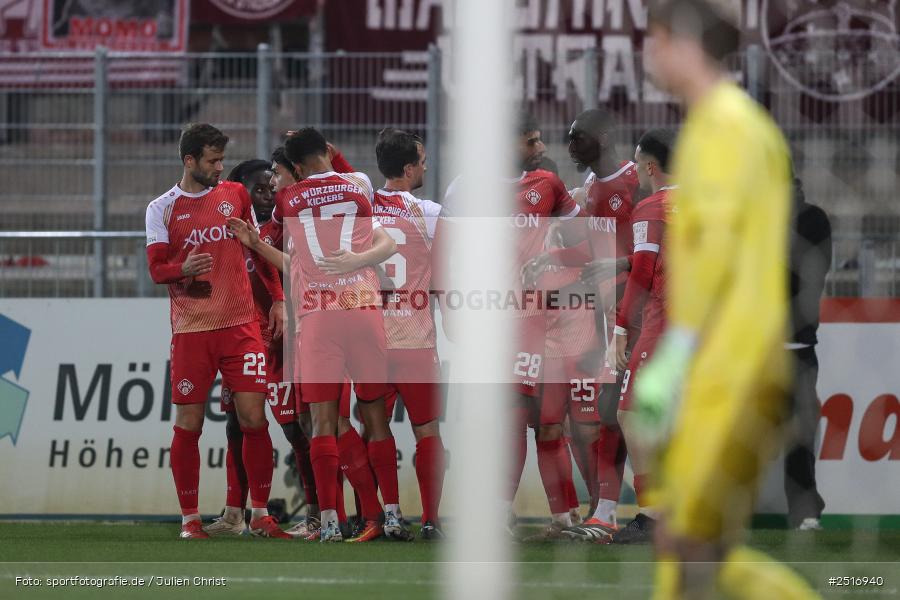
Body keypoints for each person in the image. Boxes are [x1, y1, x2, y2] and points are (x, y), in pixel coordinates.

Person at [634, 1, 820, 598]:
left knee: (690, 552)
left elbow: (713, 259)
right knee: (693, 552)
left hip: (730, 367)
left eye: (654, 38)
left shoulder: (724, 130)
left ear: (681, 43)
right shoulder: (732, 126)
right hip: (730, 362)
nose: (647, 52)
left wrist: (677, 354)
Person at [232, 127, 398, 543]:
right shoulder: (357, 184)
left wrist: (256, 245)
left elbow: (296, 265)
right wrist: (359, 259)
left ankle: (331, 520)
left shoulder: (288, 205)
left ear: (297, 169)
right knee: (361, 417)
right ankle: (384, 516)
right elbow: (384, 239)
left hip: (317, 320)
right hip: (358, 309)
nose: (273, 182)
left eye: (278, 172)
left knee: (322, 423)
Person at [144, 123, 289, 539]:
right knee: (189, 423)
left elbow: (257, 251)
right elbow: (156, 270)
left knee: (253, 418)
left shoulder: (235, 195)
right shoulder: (162, 208)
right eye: (212, 161)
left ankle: (259, 515)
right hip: (193, 330)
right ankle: (190, 520)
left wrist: (278, 299)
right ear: (189, 160)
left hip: (242, 326)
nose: (220, 168)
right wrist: (180, 271)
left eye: (221, 159)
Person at [203, 159, 315, 538]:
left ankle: (317, 513)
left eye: (271, 188)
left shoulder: (281, 227)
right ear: (238, 190)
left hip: (282, 343)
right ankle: (235, 514)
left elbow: (297, 272)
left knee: (297, 429)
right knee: (237, 426)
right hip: (241, 339)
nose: (268, 196)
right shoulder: (224, 230)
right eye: (259, 189)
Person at [605, 129, 677, 544]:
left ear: (650, 167)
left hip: (666, 321)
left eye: (636, 163)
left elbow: (644, 272)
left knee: (631, 414)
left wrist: (619, 330)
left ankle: (653, 513)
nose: (632, 171)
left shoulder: (652, 207)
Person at [373, 128, 446, 540]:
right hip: (416, 339)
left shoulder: (361, 207)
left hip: (371, 340)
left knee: (375, 429)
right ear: (407, 168)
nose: (425, 166)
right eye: (421, 160)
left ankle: (389, 515)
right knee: (427, 431)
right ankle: (432, 519)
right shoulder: (430, 214)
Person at [784, 175, 831, 531]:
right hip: (755, 347)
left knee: (800, 433)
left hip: (796, 345)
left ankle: (805, 510)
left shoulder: (812, 219)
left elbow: (804, 277)